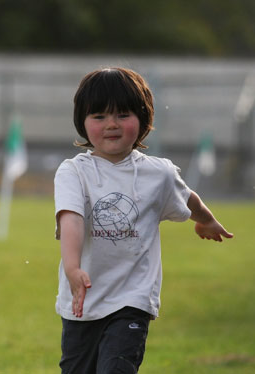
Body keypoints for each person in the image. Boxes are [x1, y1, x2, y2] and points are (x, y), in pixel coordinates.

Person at [53, 67, 233, 374]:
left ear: (143, 118)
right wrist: (72, 268)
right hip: (83, 299)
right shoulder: (74, 172)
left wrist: (206, 220)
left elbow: (188, 198)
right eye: (99, 116)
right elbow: (71, 218)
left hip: (132, 299)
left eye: (123, 114)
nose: (111, 124)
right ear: (82, 122)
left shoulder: (158, 173)